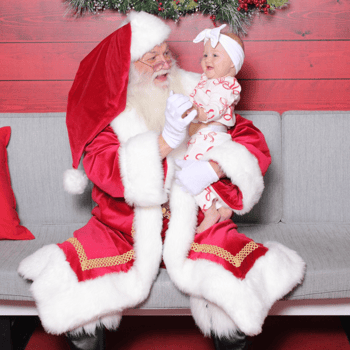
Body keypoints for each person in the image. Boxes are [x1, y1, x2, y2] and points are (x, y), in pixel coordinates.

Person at [18, 11, 305, 350]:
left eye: (166, 53)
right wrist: (165, 141)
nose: (163, 63)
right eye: (150, 57)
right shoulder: (113, 114)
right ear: (127, 69)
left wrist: (215, 169)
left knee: (232, 292)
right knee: (81, 300)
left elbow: (250, 139)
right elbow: (102, 165)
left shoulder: (200, 92)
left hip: (198, 221)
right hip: (124, 228)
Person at [179, 24, 245, 233]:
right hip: (200, 137)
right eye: (205, 54)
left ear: (232, 66)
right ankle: (221, 207)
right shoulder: (205, 81)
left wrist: (200, 114)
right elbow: (194, 99)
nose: (208, 59)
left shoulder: (227, 84)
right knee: (193, 172)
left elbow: (217, 106)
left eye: (215, 55)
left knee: (185, 172)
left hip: (212, 137)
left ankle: (210, 211)